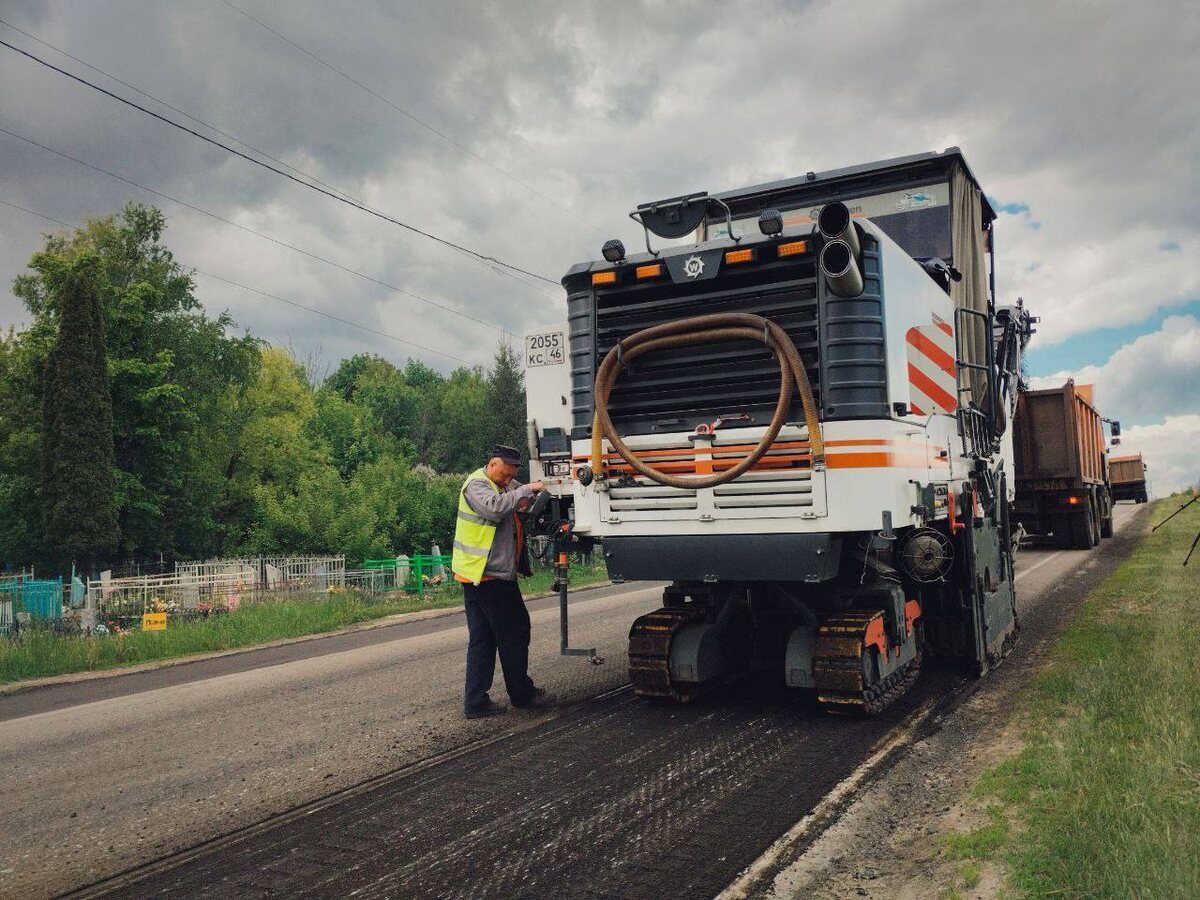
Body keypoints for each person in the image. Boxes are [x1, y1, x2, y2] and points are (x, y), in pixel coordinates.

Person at [452, 444, 556, 719]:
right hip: (489, 576)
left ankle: (475, 702)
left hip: (480, 575)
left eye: (512, 476)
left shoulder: (503, 484)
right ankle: (522, 694)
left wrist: (540, 492)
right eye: (505, 475)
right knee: (514, 632)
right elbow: (495, 510)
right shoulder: (477, 485)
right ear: (493, 463)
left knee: (483, 640)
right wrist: (524, 490)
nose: (509, 480)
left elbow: (525, 500)